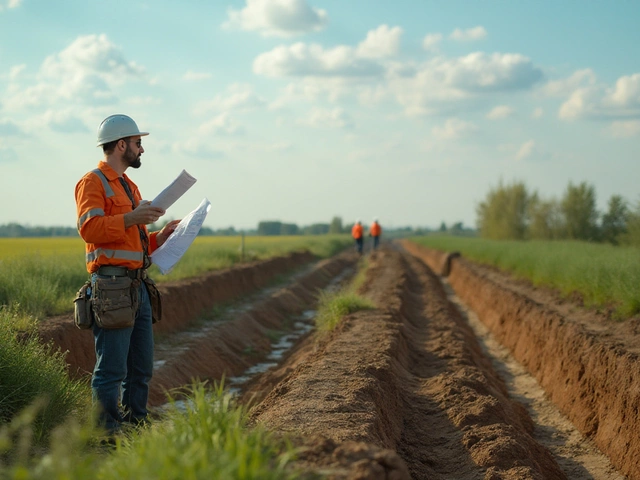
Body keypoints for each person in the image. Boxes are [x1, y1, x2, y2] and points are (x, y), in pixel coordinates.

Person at [75, 114, 180, 436]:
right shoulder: (92, 182)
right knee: (111, 368)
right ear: (121, 145)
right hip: (112, 287)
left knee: (140, 366)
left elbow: (130, 239)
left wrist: (159, 237)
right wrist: (132, 216)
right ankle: (106, 431)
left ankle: (136, 421)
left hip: (136, 286)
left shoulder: (128, 185)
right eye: (137, 143)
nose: (141, 149)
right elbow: (89, 229)